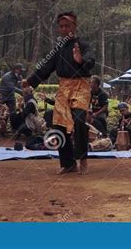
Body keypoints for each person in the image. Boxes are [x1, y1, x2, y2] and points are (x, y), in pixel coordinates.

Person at [23, 11, 95, 175]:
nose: (64, 29)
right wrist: (31, 81)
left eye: (67, 26)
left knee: (78, 120)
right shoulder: (58, 49)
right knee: (59, 125)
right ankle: (69, 164)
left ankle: (83, 158)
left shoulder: (83, 45)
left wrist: (80, 60)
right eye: (61, 26)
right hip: (64, 87)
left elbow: (91, 61)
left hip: (81, 86)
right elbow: (46, 67)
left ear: (74, 26)